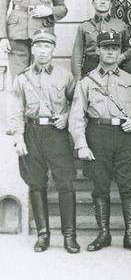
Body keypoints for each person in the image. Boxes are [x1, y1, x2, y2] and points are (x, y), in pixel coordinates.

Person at [69, 32, 131, 253]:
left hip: (125, 136)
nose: (111, 51)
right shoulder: (86, 82)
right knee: (100, 186)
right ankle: (103, 234)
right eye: (106, 47)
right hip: (98, 135)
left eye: (115, 48)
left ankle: (130, 235)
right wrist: (82, 144)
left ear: (120, 52)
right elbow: (77, 116)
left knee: (130, 186)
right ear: (98, 51)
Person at [9, 30, 79, 253]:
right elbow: (16, 111)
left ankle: (69, 235)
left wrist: (66, 118)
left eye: (46, 46)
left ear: (54, 50)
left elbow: (77, 106)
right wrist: (18, 138)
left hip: (56, 134)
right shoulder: (22, 78)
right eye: (38, 46)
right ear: (32, 49)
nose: (42, 51)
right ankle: (43, 235)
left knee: (65, 183)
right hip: (32, 133)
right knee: (36, 184)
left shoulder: (65, 76)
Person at [71, 0, 131, 80]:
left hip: (114, 68)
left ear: (111, 4)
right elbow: (77, 56)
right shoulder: (84, 26)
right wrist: (77, 79)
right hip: (91, 68)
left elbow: (130, 50)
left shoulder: (120, 25)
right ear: (93, 3)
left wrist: (121, 57)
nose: (103, 2)